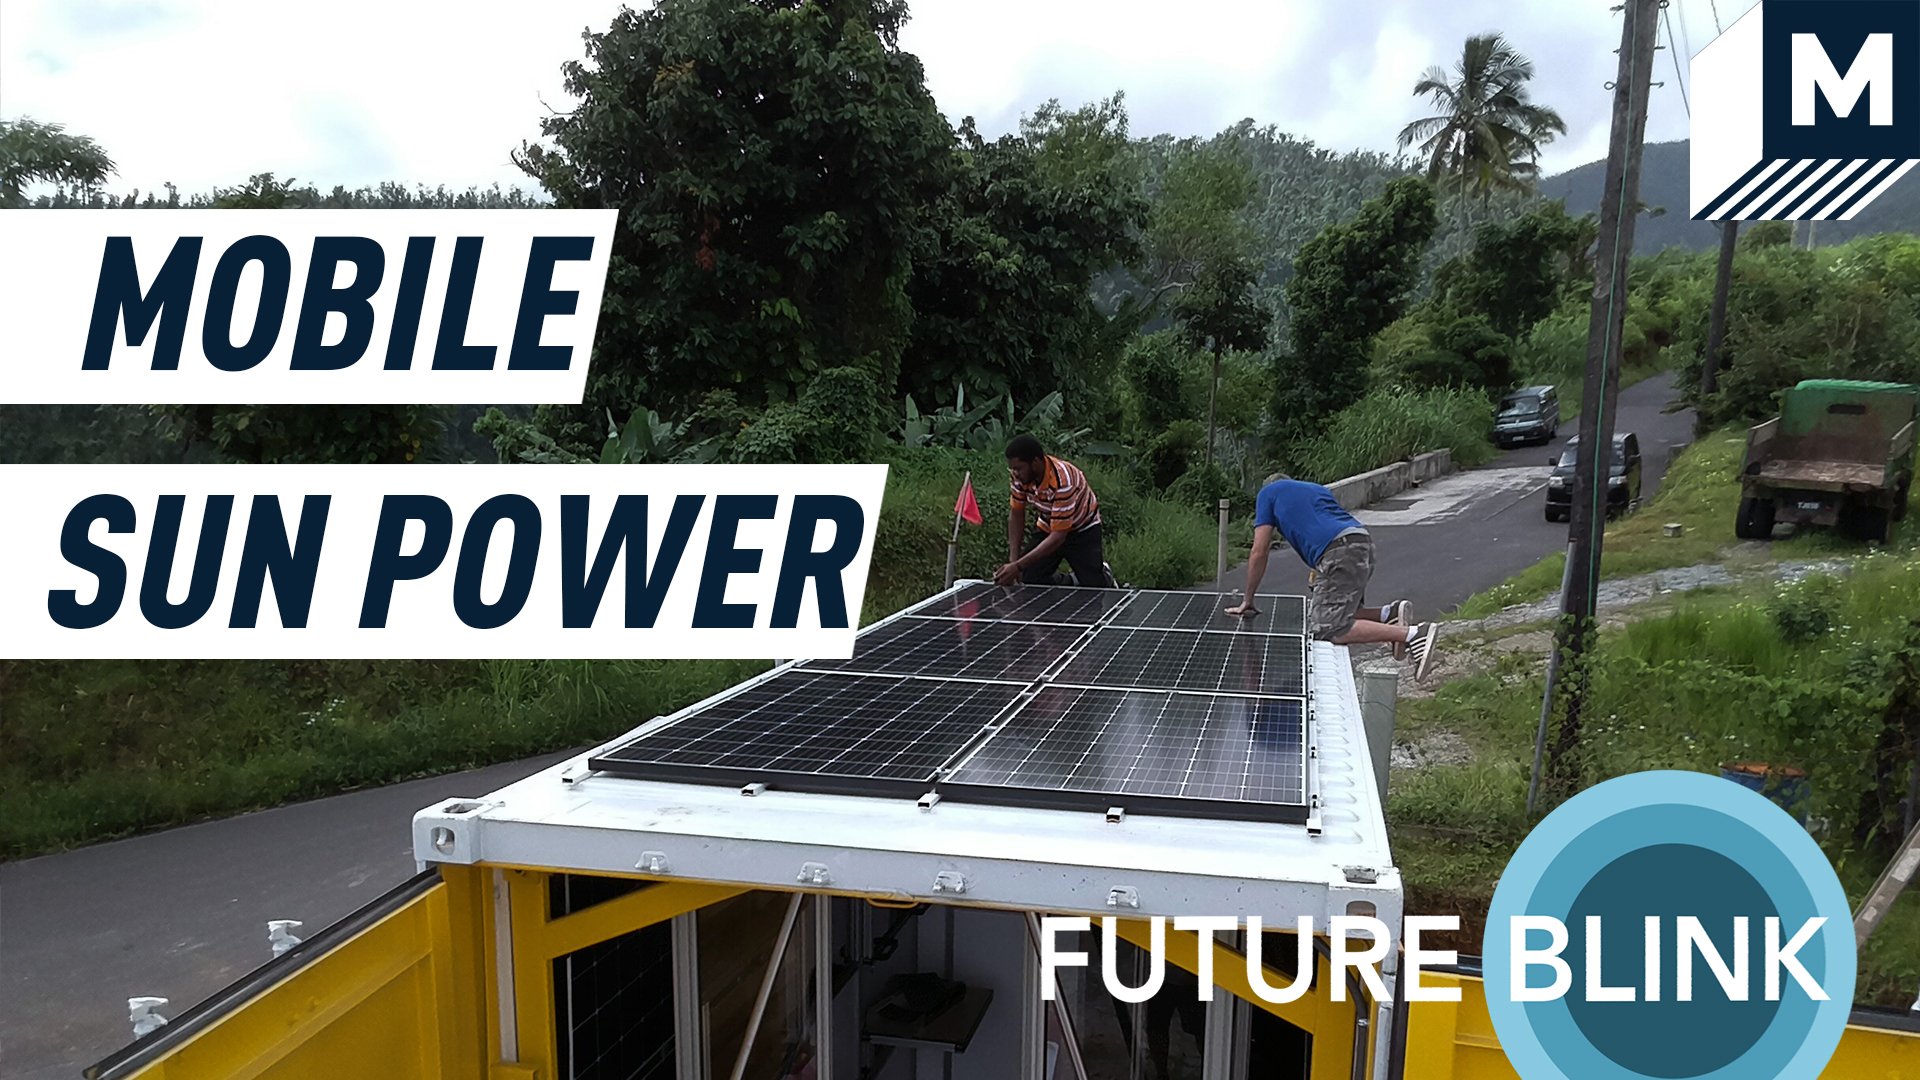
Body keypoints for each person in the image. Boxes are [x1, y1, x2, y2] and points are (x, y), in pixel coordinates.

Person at [1226, 472, 1440, 677]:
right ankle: (1388, 614)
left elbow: (1259, 550)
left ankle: (1413, 634)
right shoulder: (1315, 489)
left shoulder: (1268, 493)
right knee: (1343, 612)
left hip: (1338, 551)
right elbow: (1322, 523)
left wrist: (1248, 599)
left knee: (1327, 628)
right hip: (1360, 542)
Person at [995, 435, 1113, 588]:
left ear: (1035, 462)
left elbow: (1058, 537)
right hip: (1049, 525)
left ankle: (1104, 575)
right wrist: (1013, 560)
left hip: (1082, 528)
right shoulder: (1020, 478)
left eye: (1018, 468)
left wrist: (1017, 566)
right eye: (1012, 469)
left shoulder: (1063, 481)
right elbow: (1017, 513)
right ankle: (1070, 581)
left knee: (1093, 587)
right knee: (1030, 577)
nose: (1015, 473)